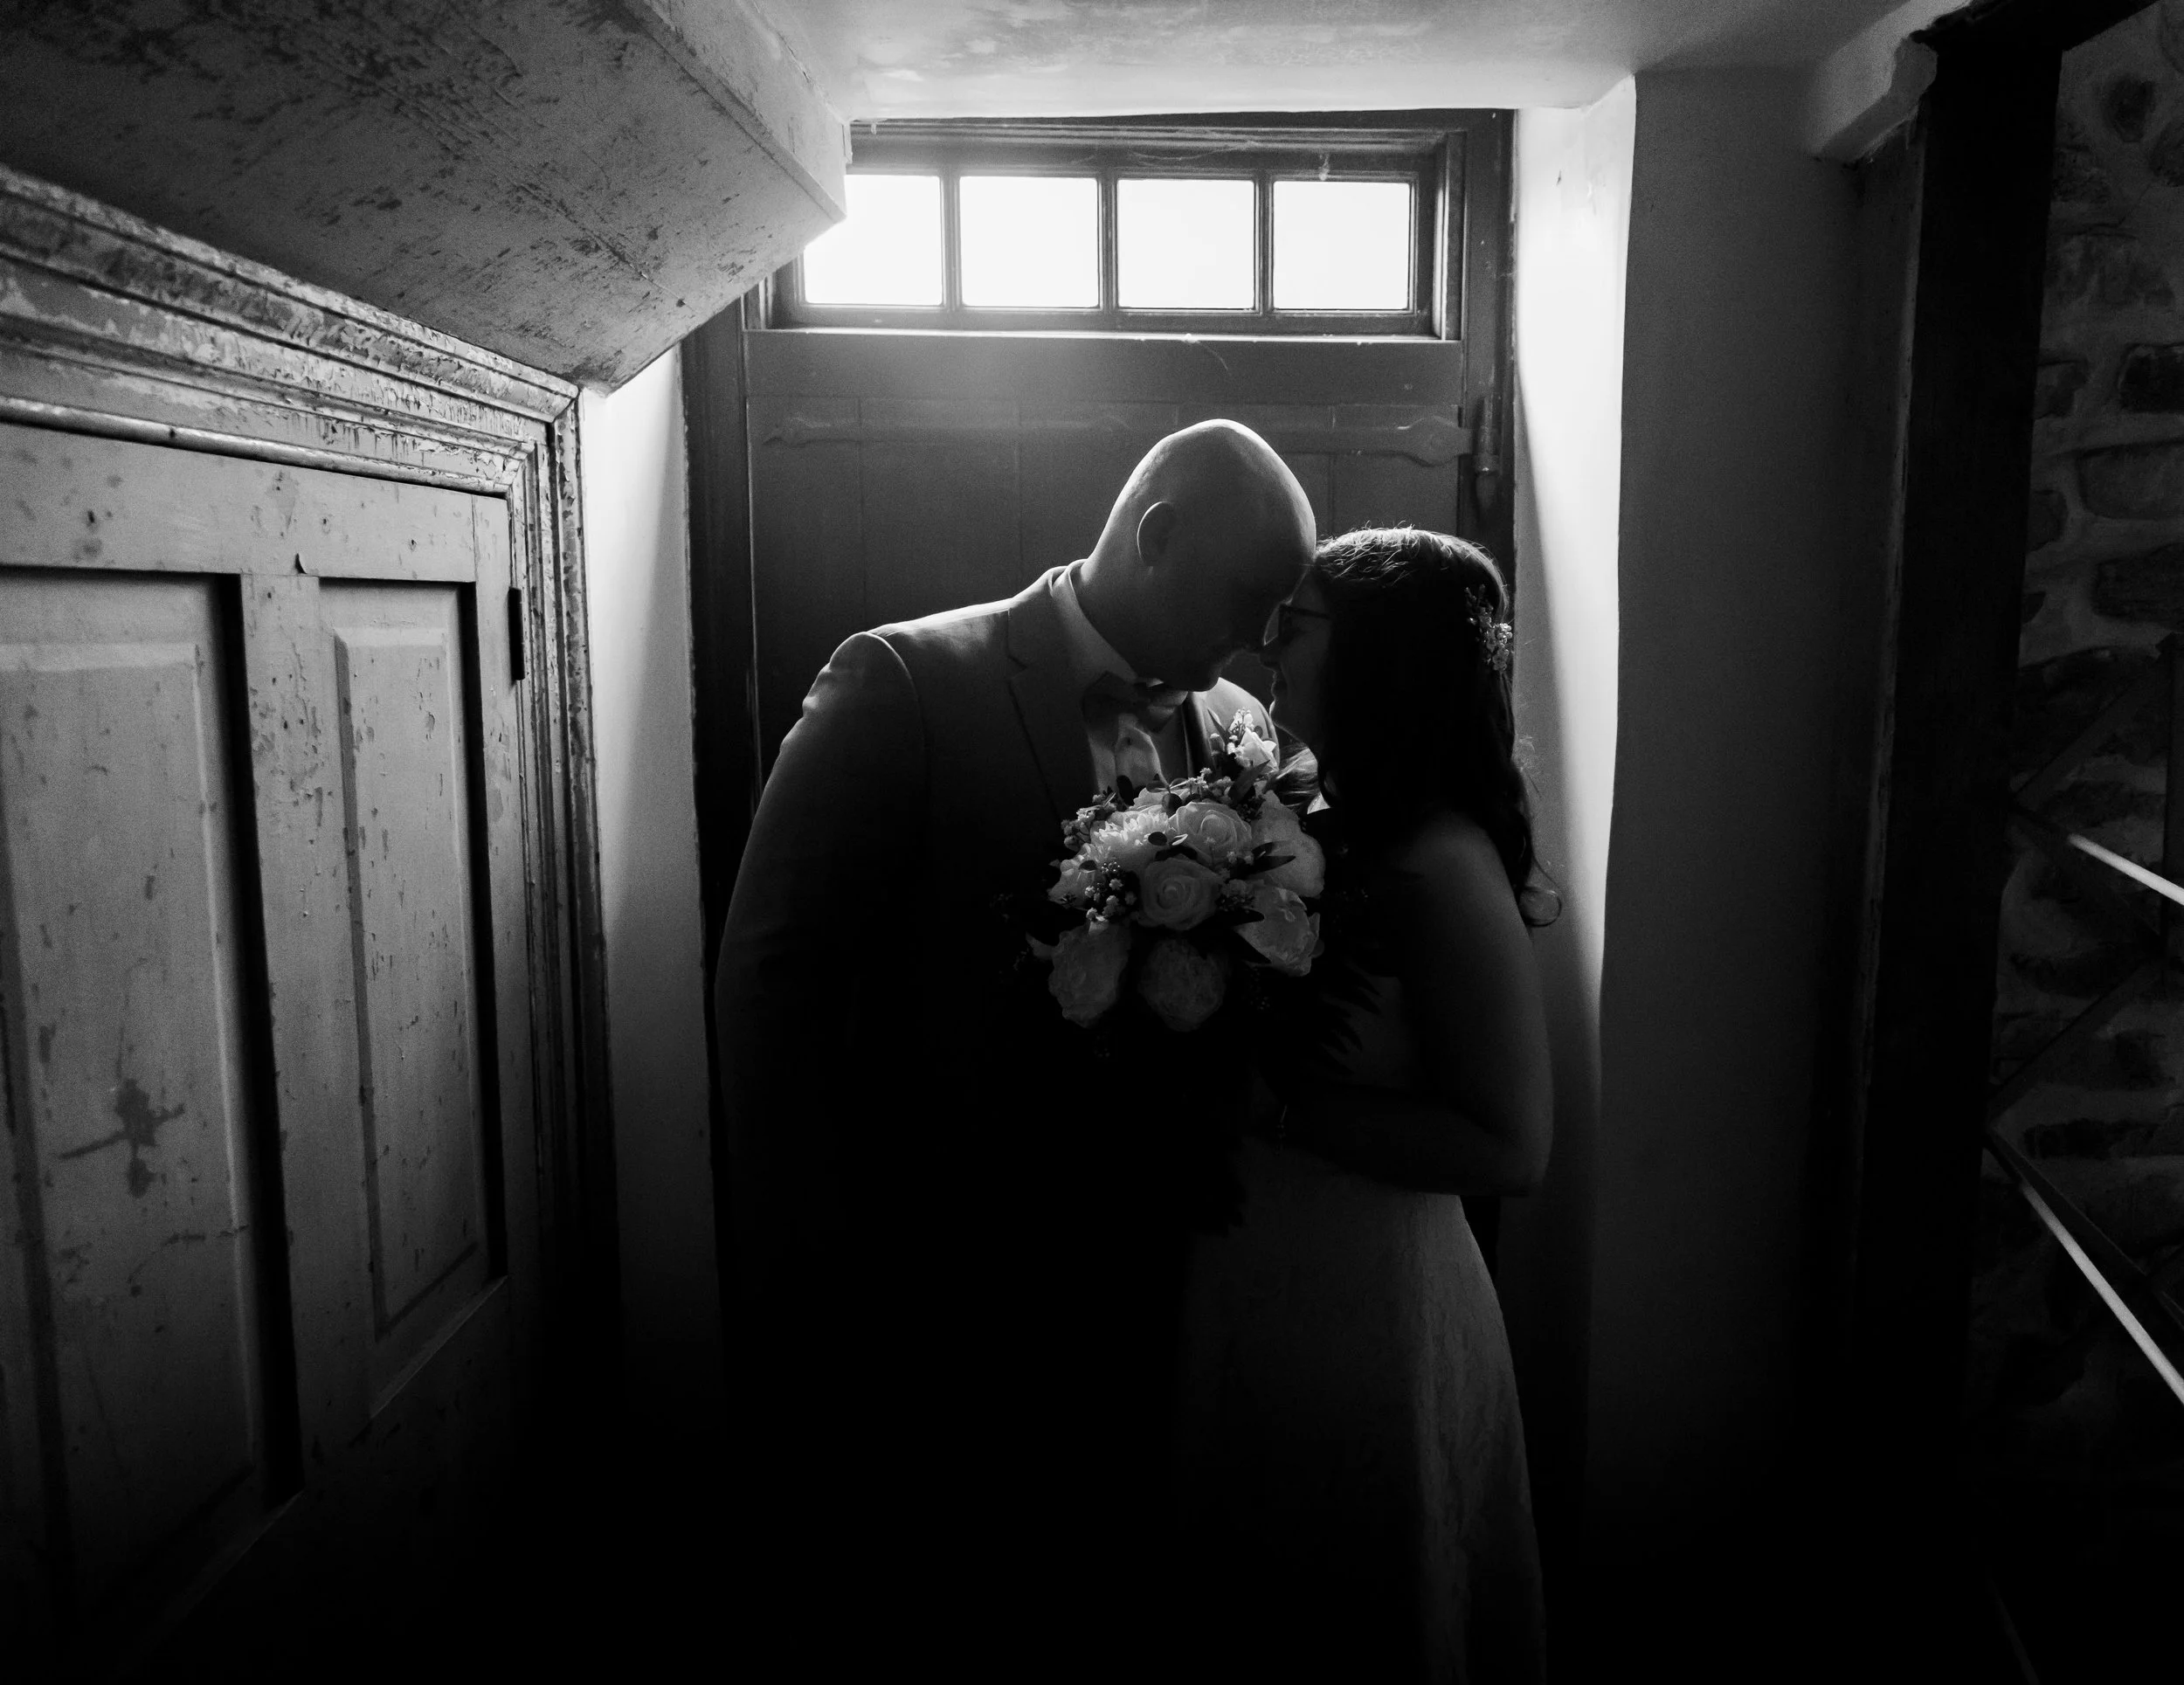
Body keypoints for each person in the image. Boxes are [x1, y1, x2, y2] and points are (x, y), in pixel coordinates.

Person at [714, 420, 1316, 1669]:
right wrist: (807, 1269)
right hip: (943, 1280)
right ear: (1156, 538)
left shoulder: (1238, 723)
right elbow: (772, 984)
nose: (1260, 638)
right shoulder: (904, 683)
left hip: (1158, 1286)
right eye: (1245, 598)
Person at [1174, 527, 1554, 1682]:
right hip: (1255, 1280)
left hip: (1371, 1303)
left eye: (1296, 624)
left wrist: (1275, 1112)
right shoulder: (1313, 828)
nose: (1266, 647)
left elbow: (1512, 1144)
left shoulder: (1440, 865)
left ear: (1376, 654)